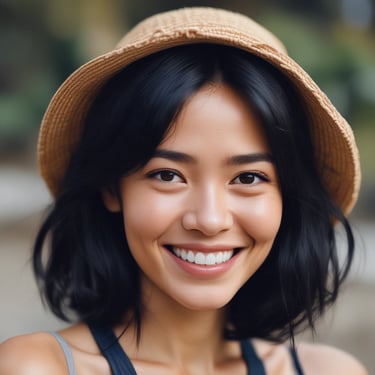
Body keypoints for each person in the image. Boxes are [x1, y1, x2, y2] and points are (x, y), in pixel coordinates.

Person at [0, 7, 368, 375]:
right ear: (111, 188)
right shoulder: (39, 367)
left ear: (287, 196)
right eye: (167, 175)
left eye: (249, 178)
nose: (209, 219)